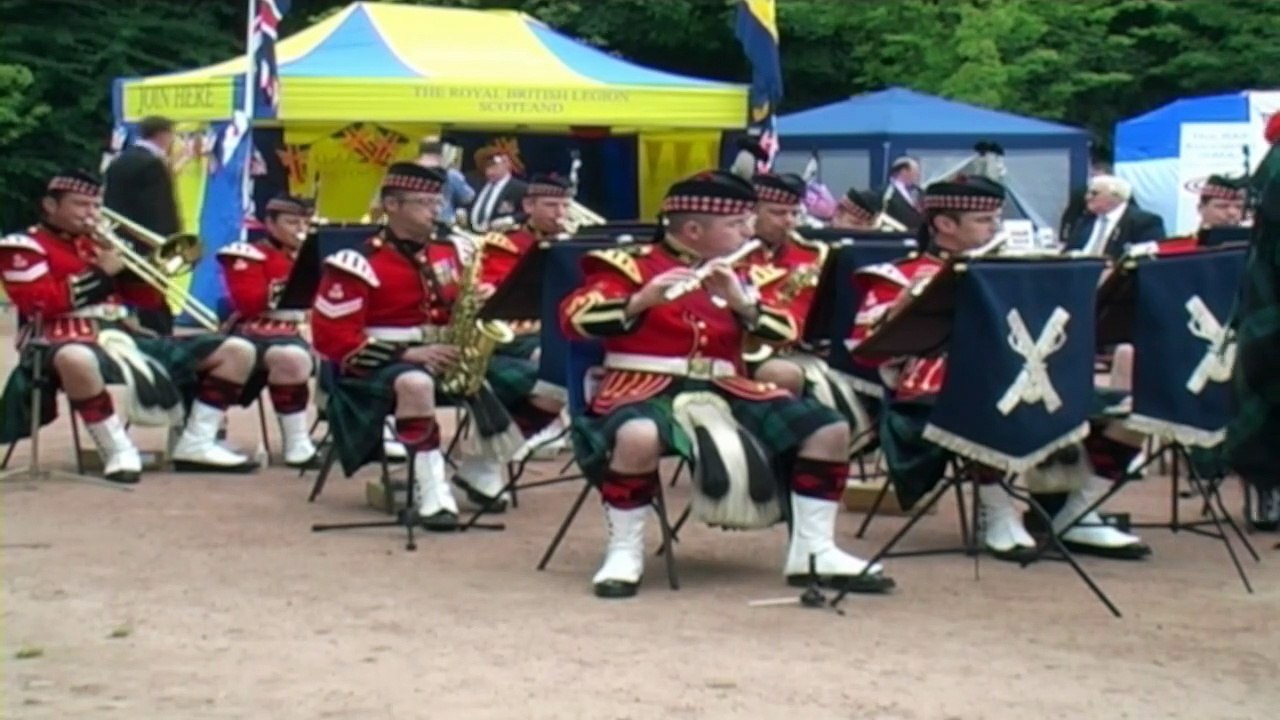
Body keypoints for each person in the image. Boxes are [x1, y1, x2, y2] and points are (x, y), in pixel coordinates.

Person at [560, 169, 893, 598]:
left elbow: (786, 331)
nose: (748, 231)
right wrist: (641, 300)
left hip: (726, 387)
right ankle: (624, 551)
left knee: (827, 428)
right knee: (638, 436)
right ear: (695, 229)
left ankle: (815, 549)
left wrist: (743, 305)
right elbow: (573, 318)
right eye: (737, 224)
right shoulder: (631, 265)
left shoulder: (741, 273)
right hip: (645, 383)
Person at [850, 176, 1148, 560]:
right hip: (933, 390)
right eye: (984, 220)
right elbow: (866, 350)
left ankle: (1078, 514)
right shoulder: (899, 275)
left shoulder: (1016, 270)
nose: (996, 228)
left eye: (997, 218)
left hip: (1027, 378)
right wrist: (901, 309)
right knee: (989, 398)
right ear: (944, 225)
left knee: (1137, 411)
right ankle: (999, 515)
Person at [310, 163, 562, 529]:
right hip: (380, 365)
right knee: (416, 383)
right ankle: (432, 491)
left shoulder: (453, 252)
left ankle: (482, 468)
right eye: (424, 202)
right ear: (392, 205)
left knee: (552, 385)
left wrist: (483, 302)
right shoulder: (357, 263)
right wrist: (404, 354)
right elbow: (332, 338)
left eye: (438, 201)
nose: (436, 210)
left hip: (449, 355)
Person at [0, 170, 261, 481]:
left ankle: (197, 442)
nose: (92, 214)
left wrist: (135, 269)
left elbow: (148, 301)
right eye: (81, 205)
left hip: (120, 337)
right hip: (56, 342)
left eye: (96, 206)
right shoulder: (24, 246)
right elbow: (39, 302)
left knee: (238, 350)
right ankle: (117, 450)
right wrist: (101, 273)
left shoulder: (98, 245)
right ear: (50, 205)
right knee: (76, 357)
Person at [215, 195, 319, 467]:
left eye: (305, 222)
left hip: (313, 329)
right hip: (265, 328)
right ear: (270, 225)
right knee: (289, 357)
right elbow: (250, 303)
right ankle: (297, 442)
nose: (300, 229)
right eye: (292, 222)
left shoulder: (318, 254)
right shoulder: (247, 254)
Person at [103, 115, 182, 335]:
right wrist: (169, 243)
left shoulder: (119, 159)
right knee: (153, 297)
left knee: (131, 293)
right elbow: (160, 208)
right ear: (163, 134)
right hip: (148, 244)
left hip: (122, 241)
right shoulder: (152, 163)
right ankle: (160, 340)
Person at [366, 136, 474, 225]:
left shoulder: (398, 173)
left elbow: (376, 207)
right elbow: (468, 198)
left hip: (406, 227)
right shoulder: (452, 175)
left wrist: (374, 226)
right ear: (444, 151)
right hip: (441, 229)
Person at [1066, 174, 1165, 259]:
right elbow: (1068, 252)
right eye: (1087, 193)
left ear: (1116, 196)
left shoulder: (1144, 222)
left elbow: (1148, 259)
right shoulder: (1085, 221)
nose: (1087, 197)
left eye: (1094, 193)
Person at [468, 150, 527, 232]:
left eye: (494, 166)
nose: (489, 171)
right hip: (471, 234)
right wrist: (462, 211)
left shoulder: (519, 188)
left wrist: (510, 219)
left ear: (507, 164)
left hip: (500, 237)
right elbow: (468, 202)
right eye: (487, 167)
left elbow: (527, 211)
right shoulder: (477, 183)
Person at [878, 157, 924, 232]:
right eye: (915, 171)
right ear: (904, 171)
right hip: (895, 238)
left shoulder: (919, 192)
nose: (918, 174)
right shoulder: (884, 193)